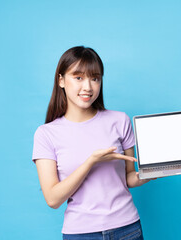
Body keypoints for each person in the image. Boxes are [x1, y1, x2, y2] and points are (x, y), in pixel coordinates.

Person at [32, 46, 150, 240]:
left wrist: (153, 173)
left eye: (95, 78)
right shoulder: (46, 134)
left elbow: (129, 177)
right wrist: (91, 161)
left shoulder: (120, 121)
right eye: (78, 77)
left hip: (127, 229)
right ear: (61, 80)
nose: (88, 87)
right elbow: (53, 199)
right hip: (80, 234)